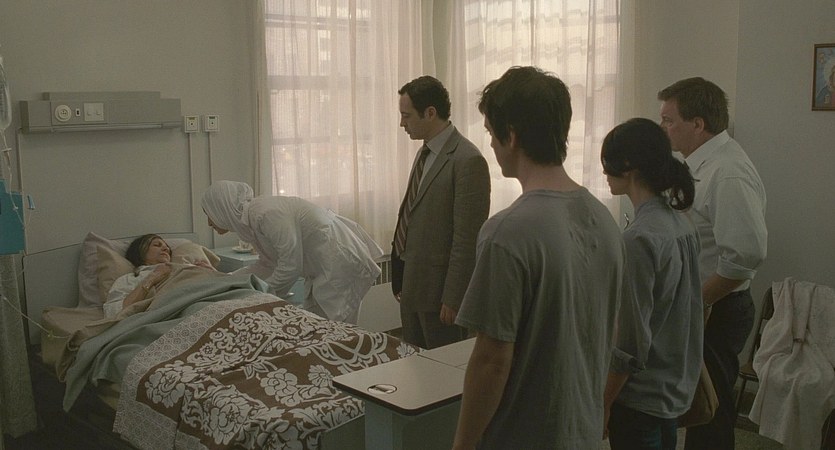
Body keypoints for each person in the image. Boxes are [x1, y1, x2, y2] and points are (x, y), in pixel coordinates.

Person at [452, 66, 625, 449]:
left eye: (491, 133)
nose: (491, 145)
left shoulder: (506, 231)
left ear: (511, 136)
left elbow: (492, 361)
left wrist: (463, 443)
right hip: (582, 430)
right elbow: (606, 330)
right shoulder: (604, 220)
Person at [658, 77, 767, 450]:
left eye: (669, 120)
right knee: (699, 408)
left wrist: (700, 300)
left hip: (719, 308)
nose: (663, 127)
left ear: (698, 123)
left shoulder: (726, 171)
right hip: (705, 304)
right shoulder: (701, 164)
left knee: (711, 411)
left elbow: (746, 254)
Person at [600, 118, 703, 450]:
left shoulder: (639, 239)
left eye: (607, 164)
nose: (604, 173)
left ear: (628, 167)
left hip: (641, 396)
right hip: (673, 385)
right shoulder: (681, 224)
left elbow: (630, 339)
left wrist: (603, 401)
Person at [392, 75, 490, 349]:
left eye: (407, 116)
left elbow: (466, 239)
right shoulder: (425, 152)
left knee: (441, 367)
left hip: (440, 295)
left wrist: (454, 297)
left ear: (430, 113)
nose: (402, 124)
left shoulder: (468, 160)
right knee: (413, 362)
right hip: (413, 286)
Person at [201, 180, 383, 324]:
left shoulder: (266, 213)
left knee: (337, 329)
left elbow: (290, 265)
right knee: (320, 327)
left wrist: (262, 295)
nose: (209, 223)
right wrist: (227, 280)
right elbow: (267, 264)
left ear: (221, 207)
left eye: (209, 214)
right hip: (324, 267)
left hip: (339, 261)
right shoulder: (252, 223)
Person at [103, 234, 213, 318]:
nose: (166, 249)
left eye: (167, 247)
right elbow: (113, 313)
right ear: (141, 251)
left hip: (207, 302)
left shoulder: (185, 267)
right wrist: (151, 279)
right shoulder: (129, 279)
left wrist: (211, 272)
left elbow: (218, 286)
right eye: (157, 245)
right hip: (178, 313)